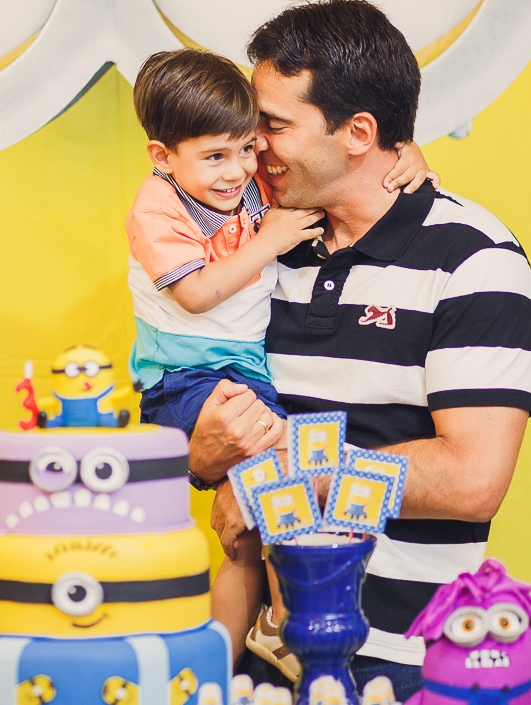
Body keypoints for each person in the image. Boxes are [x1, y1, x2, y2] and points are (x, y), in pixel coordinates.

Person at [186, 0, 531, 701]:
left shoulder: (472, 257)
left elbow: (473, 480)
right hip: (264, 654)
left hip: (404, 662)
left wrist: (286, 474)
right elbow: (205, 436)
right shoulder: (254, 246)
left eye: (273, 124)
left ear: (359, 133)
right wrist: (204, 455)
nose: (251, 143)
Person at [124, 48, 437, 670]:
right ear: (163, 156)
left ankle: (227, 658)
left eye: (248, 147)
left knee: (247, 532)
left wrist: (409, 154)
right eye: (217, 155)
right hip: (186, 378)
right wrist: (269, 240)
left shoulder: (242, 182)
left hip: (241, 373)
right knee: (277, 483)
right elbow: (196, 294)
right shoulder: (157, 209)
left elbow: (341, 164)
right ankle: (277, 623)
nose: (241, 168)